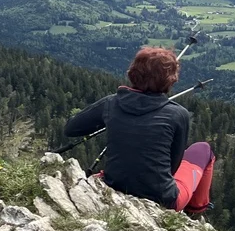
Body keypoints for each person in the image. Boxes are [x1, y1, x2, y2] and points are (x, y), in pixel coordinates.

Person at [63, 46, 215, 214]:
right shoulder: (178, 114)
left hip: (115, 184)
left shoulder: (111, 103)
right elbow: (173, 167)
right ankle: (195, 209)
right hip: (163, 199)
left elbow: (71, 129)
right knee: (204, 150)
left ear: (132, 72)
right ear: (171, 80)